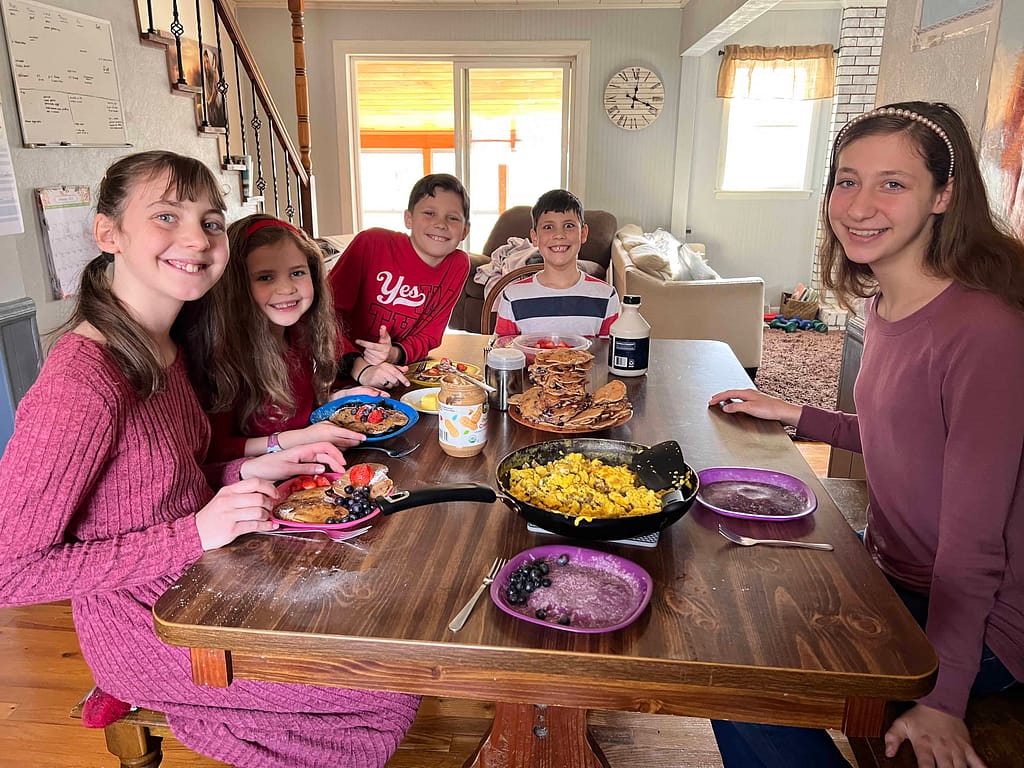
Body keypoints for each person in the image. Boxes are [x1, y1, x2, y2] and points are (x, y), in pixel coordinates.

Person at [0, 151, 419, 768]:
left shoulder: (164, 347)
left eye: (211, 221)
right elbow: (12, 572)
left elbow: (169, 481)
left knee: (384, 617)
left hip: (206, 580)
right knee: (384, 684)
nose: (195, 239)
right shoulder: (80, 383)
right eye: (166, 216)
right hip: (149, 627)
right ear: (107, 233)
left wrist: (252, 469)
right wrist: (193, 532)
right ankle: (200, 710)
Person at [708, 102, 1024, 768]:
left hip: (983, 619)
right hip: (892, 566)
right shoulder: (885, 304)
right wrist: (795, 414)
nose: (858, 205)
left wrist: (946, 699)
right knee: (727, 597)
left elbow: (973, 545)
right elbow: (905, 435)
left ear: (944, 195)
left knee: (739, 680)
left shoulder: (984, 329)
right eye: (847, 180)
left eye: (893, 183)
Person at [184, 213, 385, 461]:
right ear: (236, 287)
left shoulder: (299, 337)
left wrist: (336, 400)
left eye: (297, 273)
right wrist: (294, 440)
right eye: (265, 277)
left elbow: (295, 415)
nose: (287, 288)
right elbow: (213, 451)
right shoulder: (224, 359)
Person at [328, 173, 471, 389]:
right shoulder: (372, 243)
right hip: (334, 373)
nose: (440, 224)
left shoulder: (458, 265)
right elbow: (324, 315)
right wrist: (360, 366)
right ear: (409, 218)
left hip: (396, 376)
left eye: (453, 218)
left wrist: (393, 353)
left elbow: (429, 335)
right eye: (429, 213)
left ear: (465, 230)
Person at [493, 189, 619, 337]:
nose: (559, 235)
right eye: (548, 227)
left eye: (569, 226)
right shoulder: (513, 296)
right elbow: (502, 352)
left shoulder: (606, 296)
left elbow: (608, 355)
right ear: (535, 237)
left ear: (583, 233)